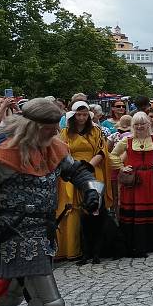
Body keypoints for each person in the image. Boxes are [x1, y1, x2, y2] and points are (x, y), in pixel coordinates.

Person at [0, 98, 100, 306]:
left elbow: (78, 172)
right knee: (50, 305)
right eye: (50, 129)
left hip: (44, 230)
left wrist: (91, 190)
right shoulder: (5, 153)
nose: (55, 134)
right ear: (33, 128)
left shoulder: (54, 147)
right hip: (14, 233)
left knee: (10, 295)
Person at [55, 101, 110, 260]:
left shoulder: (96, 131)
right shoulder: (65, 132)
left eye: (85, 114)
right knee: (71, 208)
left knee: (93, 208)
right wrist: (75, 168)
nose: (82, 117)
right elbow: (62, 152)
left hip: (92, 170)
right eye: (79, 114)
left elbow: (101, 151)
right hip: (70, 173)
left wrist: (87, 167)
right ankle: (72, 249)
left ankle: (95, 249)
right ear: (73, 115)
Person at [109, 111, 153, 256]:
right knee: (134, 209)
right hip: (133, 180)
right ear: (132, 125)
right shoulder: (127, 140)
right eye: (137, 124)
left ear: (148, 124)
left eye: (143, 123)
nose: (140, 126)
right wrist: (122, 167)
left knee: (150, 206)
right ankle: (134, 242)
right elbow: (113, 155)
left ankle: (152, 241)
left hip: (150, 178)